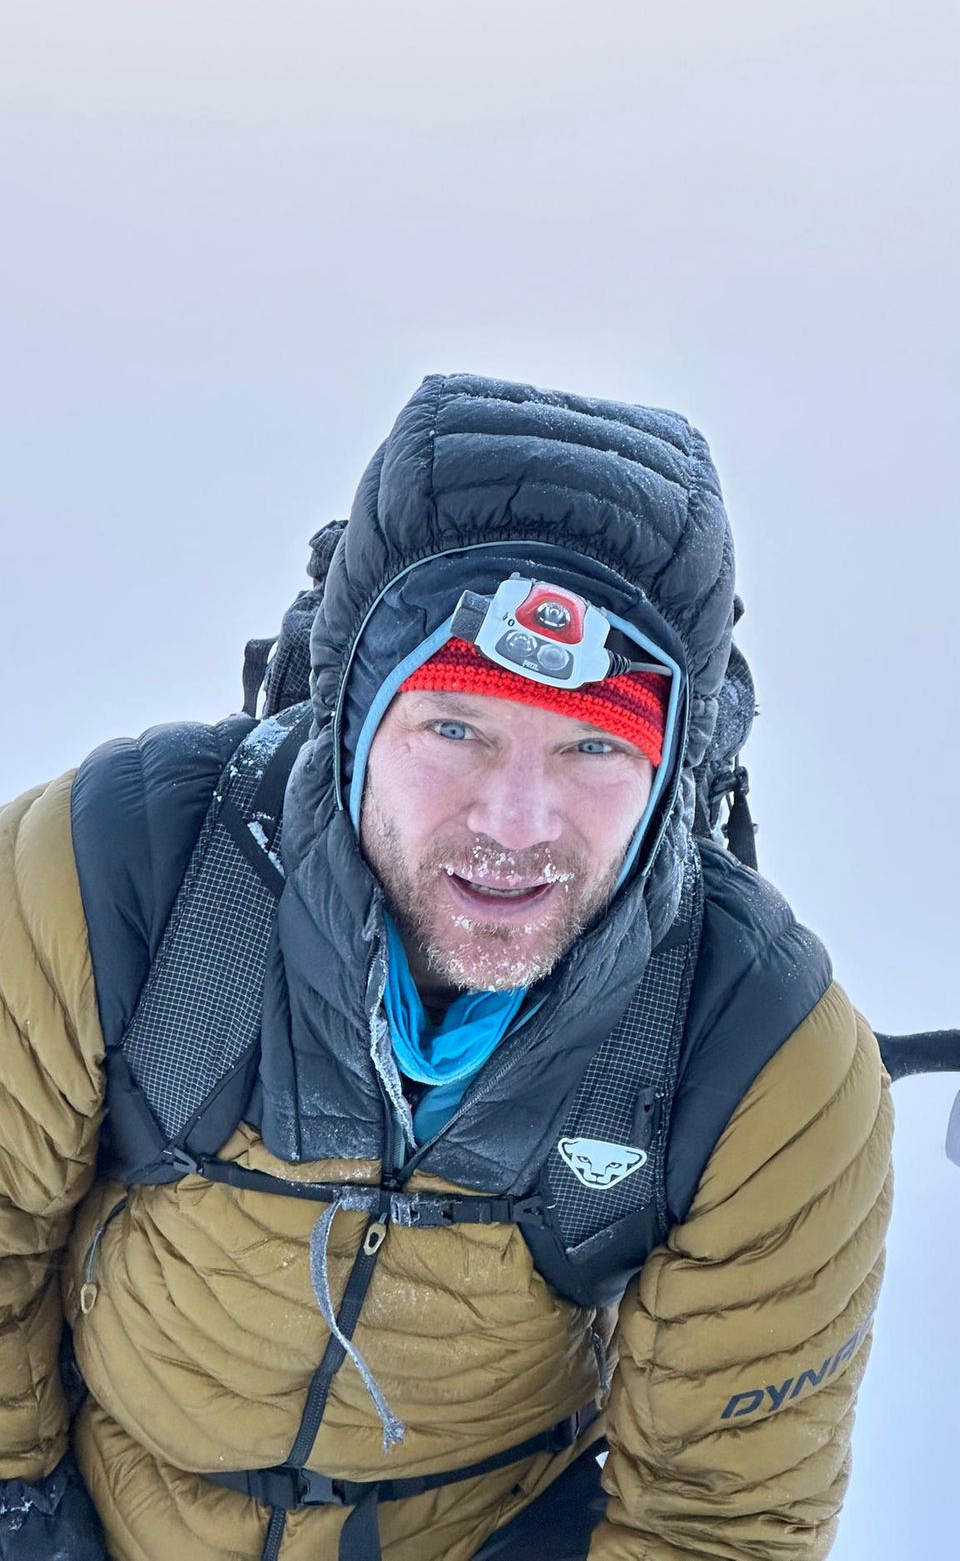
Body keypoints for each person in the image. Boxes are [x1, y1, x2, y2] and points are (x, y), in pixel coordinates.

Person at [0, 372, 893, 1561]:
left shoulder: (760, 1052)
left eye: (592, 745)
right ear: (354, 717)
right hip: (97, 1494)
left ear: (674, 774)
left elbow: (717, 1520)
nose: (516, 823)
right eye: (456, 727)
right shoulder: (118, 870)